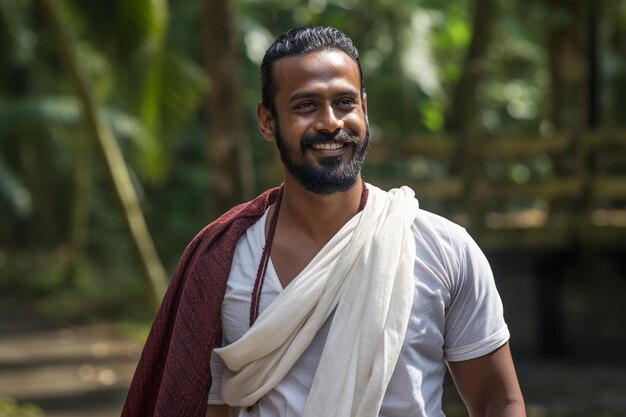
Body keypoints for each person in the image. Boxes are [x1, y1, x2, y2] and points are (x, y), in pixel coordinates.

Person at [121, 26, 526, 417]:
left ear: (365, 109)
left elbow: (498, 401)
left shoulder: (444, 248)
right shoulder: (223, 261)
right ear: (267, 121)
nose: (331, 122)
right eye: (305, 106)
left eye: (345, 102)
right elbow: (210, 407)